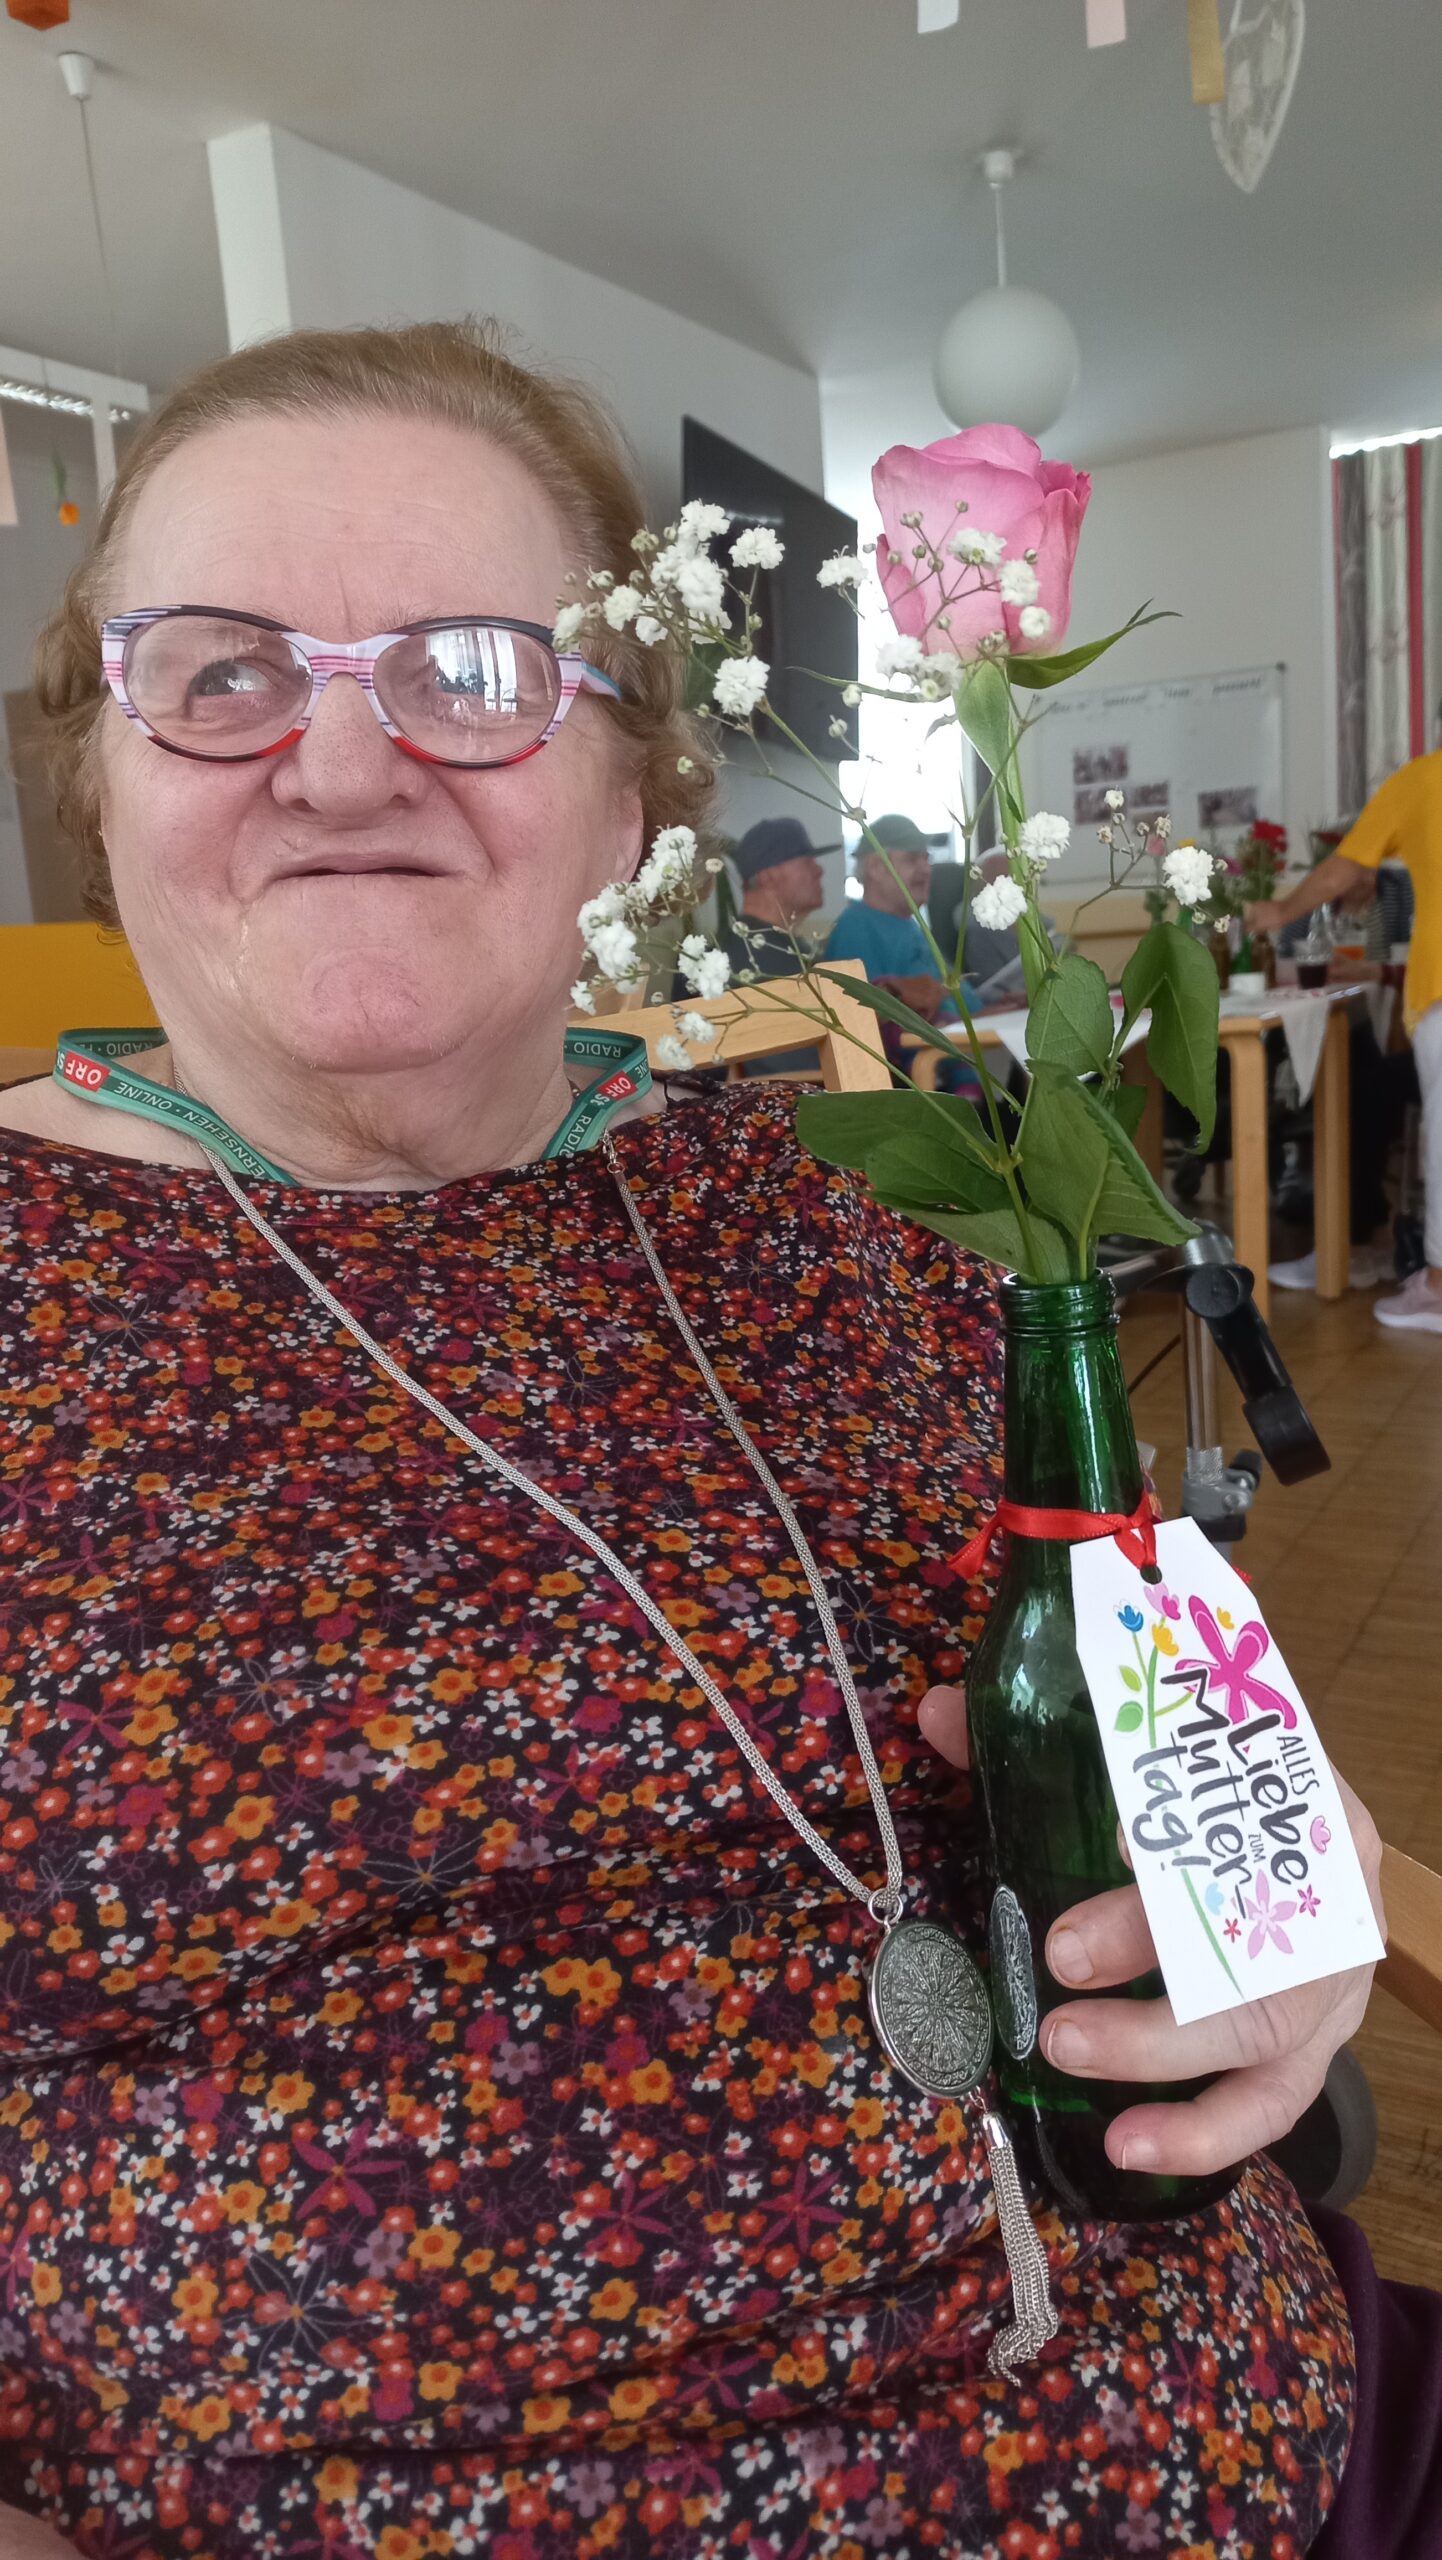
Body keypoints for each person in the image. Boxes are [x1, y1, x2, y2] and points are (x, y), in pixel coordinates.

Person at [0, 316, 1406, 2559]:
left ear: (631, 788)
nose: (340, 766)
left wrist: (1279, 1889)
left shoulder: (847, 1195)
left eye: (469, 670)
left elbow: (1152, 1685)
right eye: (225, 673)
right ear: (103, 776)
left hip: (1250, 2417)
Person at [1249, 720, 1442, 1332]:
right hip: (1377, 1016)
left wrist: (1280, 909)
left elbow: (1350, 878)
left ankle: (1426, 1281)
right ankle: (1356, 1239)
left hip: (1426, 1004)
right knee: (1360, 1078)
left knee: (1385, 1100)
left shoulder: (1421, 789)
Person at [717, 811, 831, 981]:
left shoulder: (777, 948)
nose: (819, 870)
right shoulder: (749, 959)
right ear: (767, 877)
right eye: (807, 862)